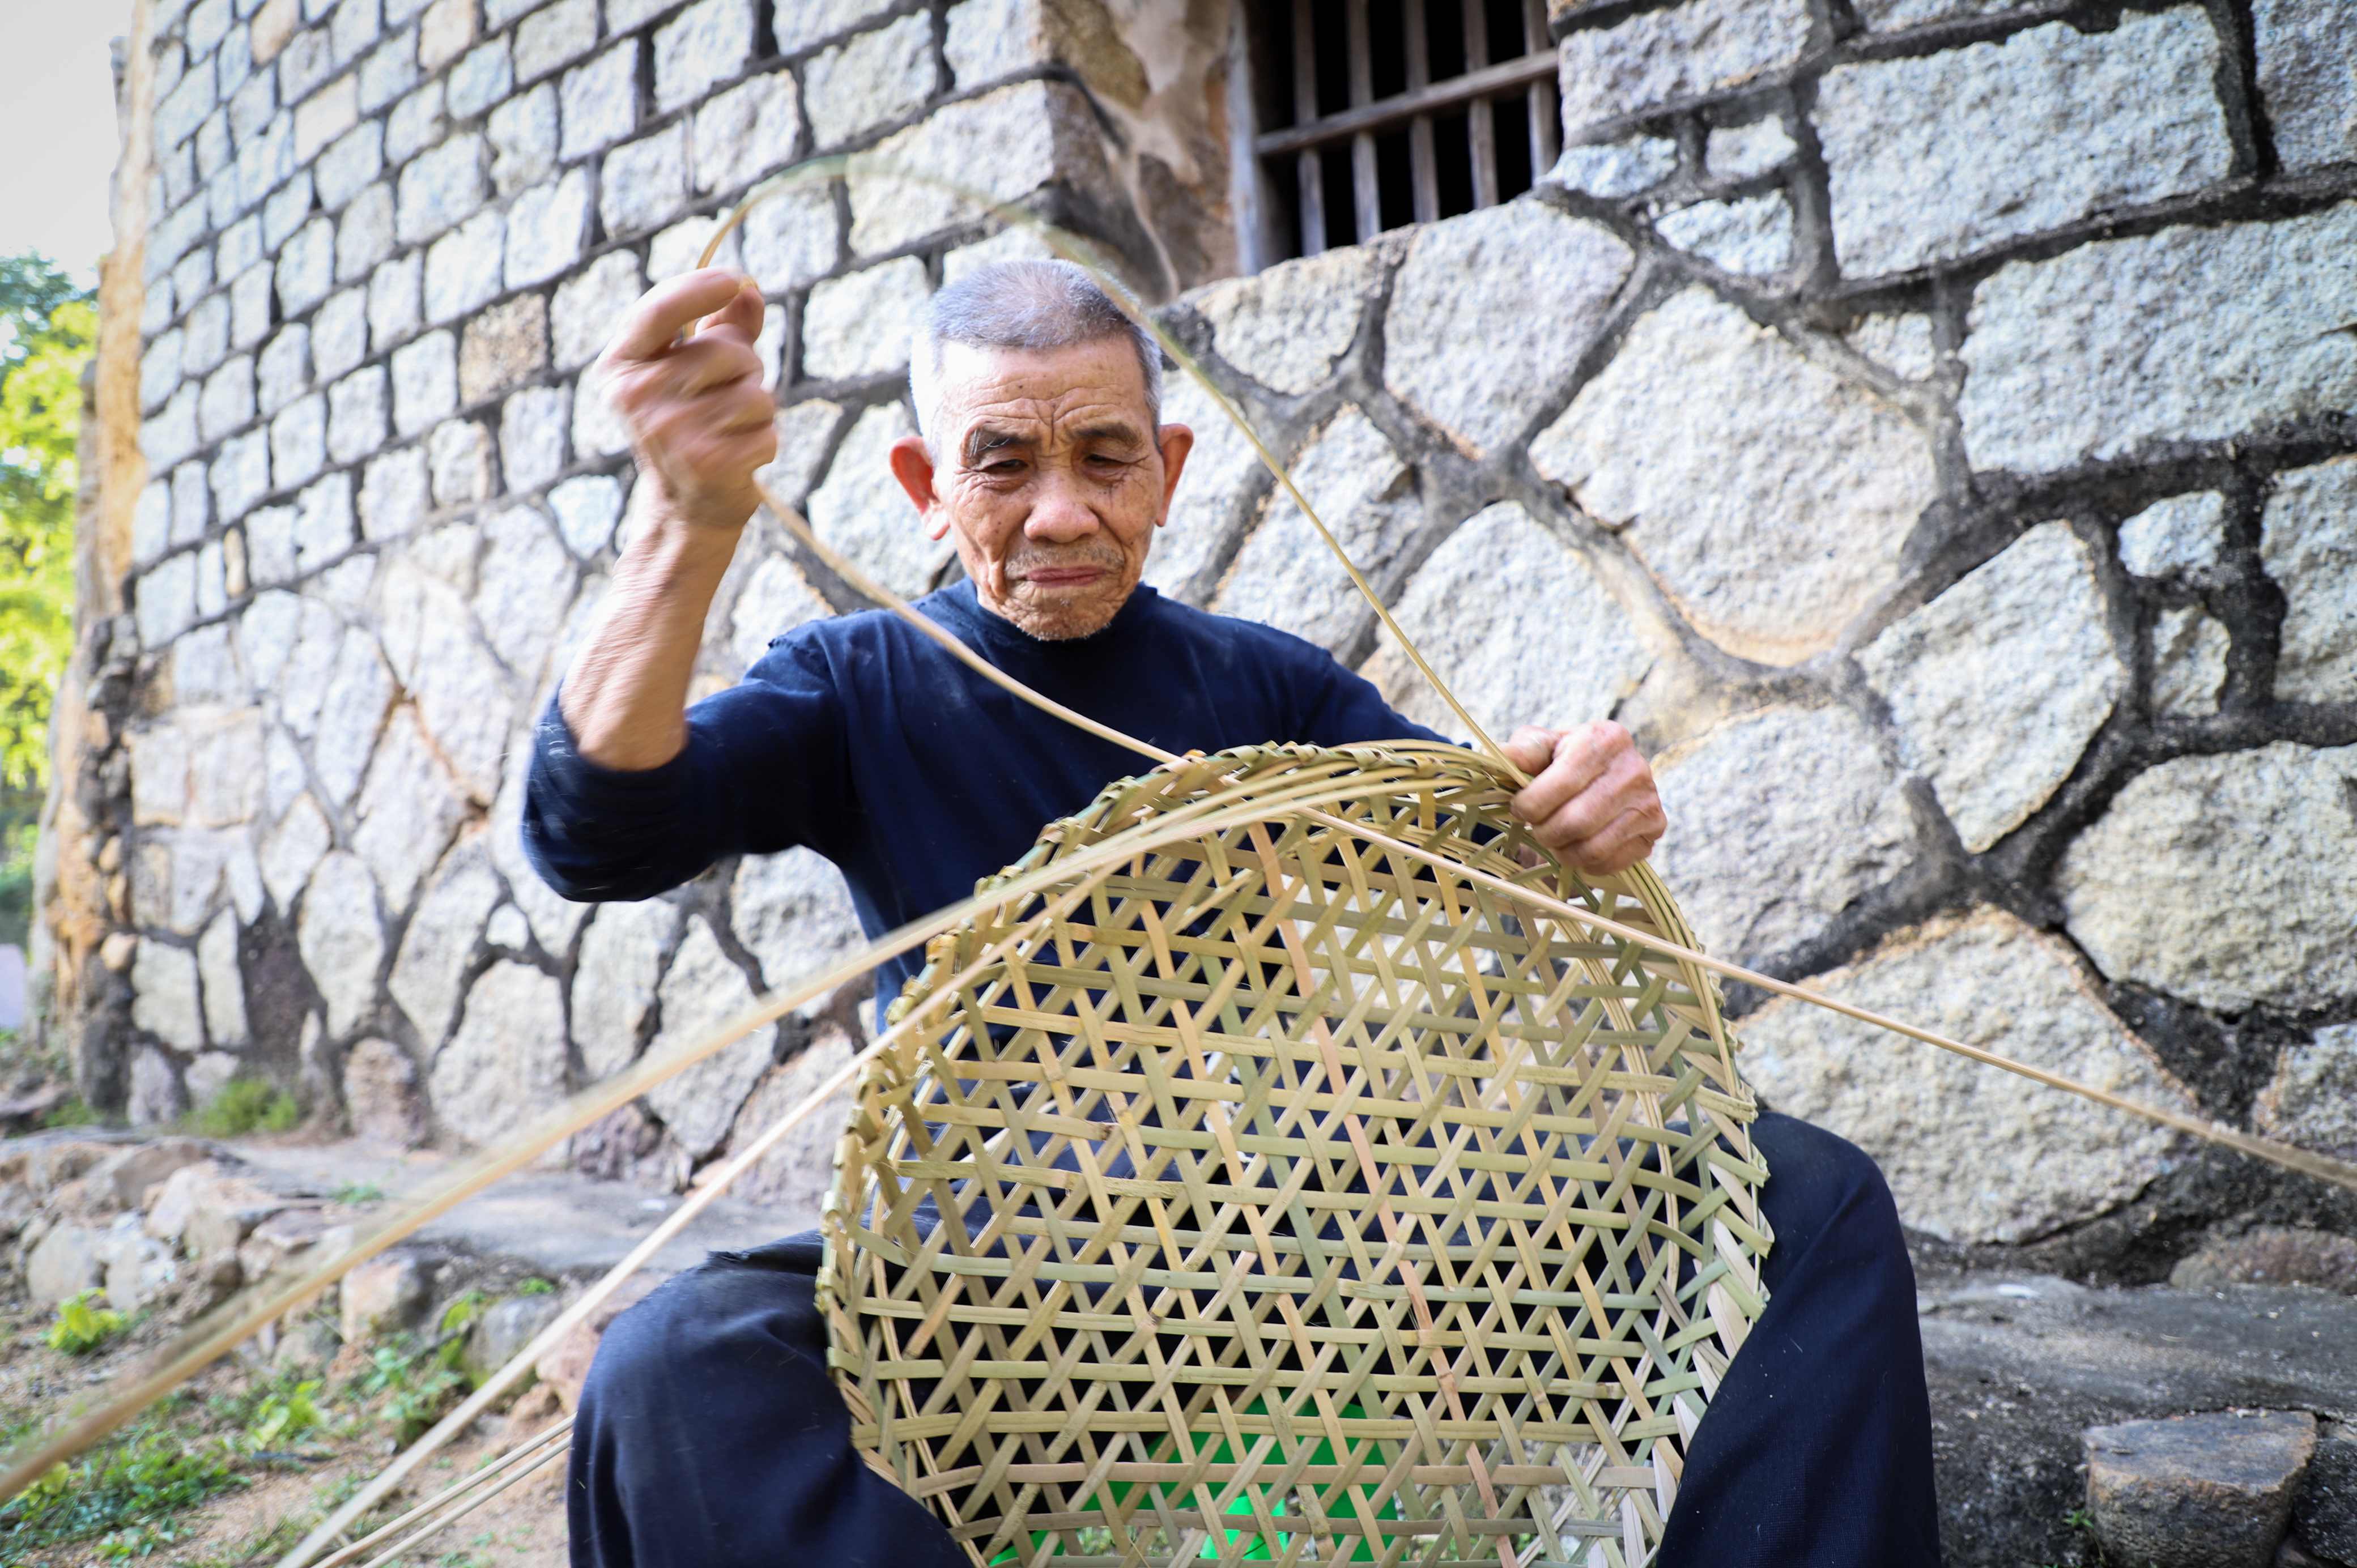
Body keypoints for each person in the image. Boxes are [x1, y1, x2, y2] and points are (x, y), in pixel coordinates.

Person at [525, 259, 1942, 1566]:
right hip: (982, 1284)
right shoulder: (855, 682)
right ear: (924, 484)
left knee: (1796, 1195)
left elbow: (1490, 845)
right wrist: (684, 522)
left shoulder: (1264, 689)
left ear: (1168, 472)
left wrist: (1585, 797)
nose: (1061, 510)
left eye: (1104, 456)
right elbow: (598, 829)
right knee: (676, 1362)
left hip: (1278, 1239)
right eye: (1002, 463)